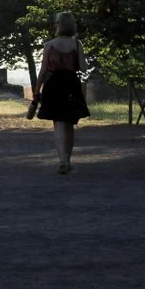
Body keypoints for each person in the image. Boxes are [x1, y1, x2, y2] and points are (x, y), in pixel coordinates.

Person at [35, 11, 90, 174]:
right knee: (69, 123)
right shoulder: (77, 44)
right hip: (71, 84)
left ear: (58, 25)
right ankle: (68, 159)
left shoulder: (49, 45)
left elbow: (43, 71)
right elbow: (83, 68)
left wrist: (37, 90)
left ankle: (62, 159)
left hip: (54, 84)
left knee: (58, 123)